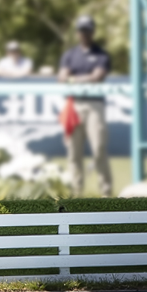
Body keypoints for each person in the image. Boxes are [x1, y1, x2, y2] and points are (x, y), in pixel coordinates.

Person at [58, 15, 113, 197]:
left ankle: (106, 192)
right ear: (77, 33)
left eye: (87, 30)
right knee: (73, 152)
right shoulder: (70, 54)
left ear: (93, 32)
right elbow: (62, 77)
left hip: (94, 104)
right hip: (73, 105)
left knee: (99, 149)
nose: (84, 34)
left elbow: (97, 77)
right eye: (82, 30)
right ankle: (76, 192)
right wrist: (80, 79)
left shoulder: (101, 54)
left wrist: (73, 79)